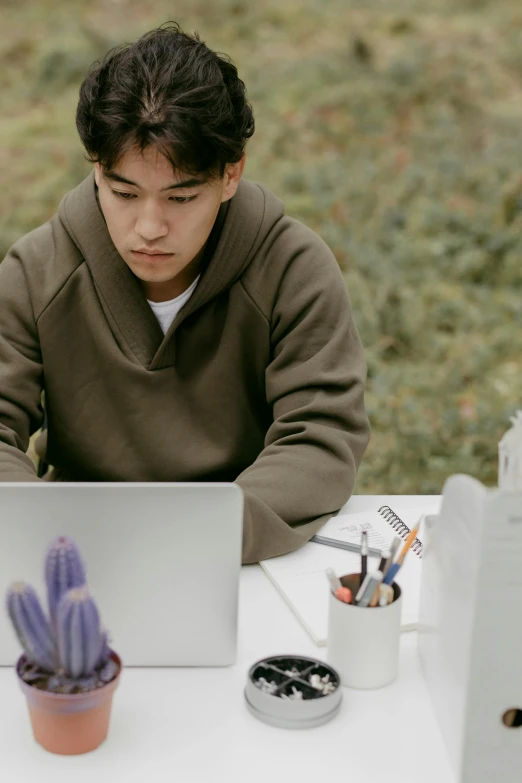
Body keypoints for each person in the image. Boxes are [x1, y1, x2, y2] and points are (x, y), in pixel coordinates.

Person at [0, 22, 370, 563]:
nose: (148, 227)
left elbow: (322, 435)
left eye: (180, 197)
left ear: (231, 174)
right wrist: (56, 540)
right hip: (76, 558)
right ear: (96, 171)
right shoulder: (37, 271)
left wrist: (197, 537)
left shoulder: (293, 267)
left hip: (241, 552)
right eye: (124, 192)